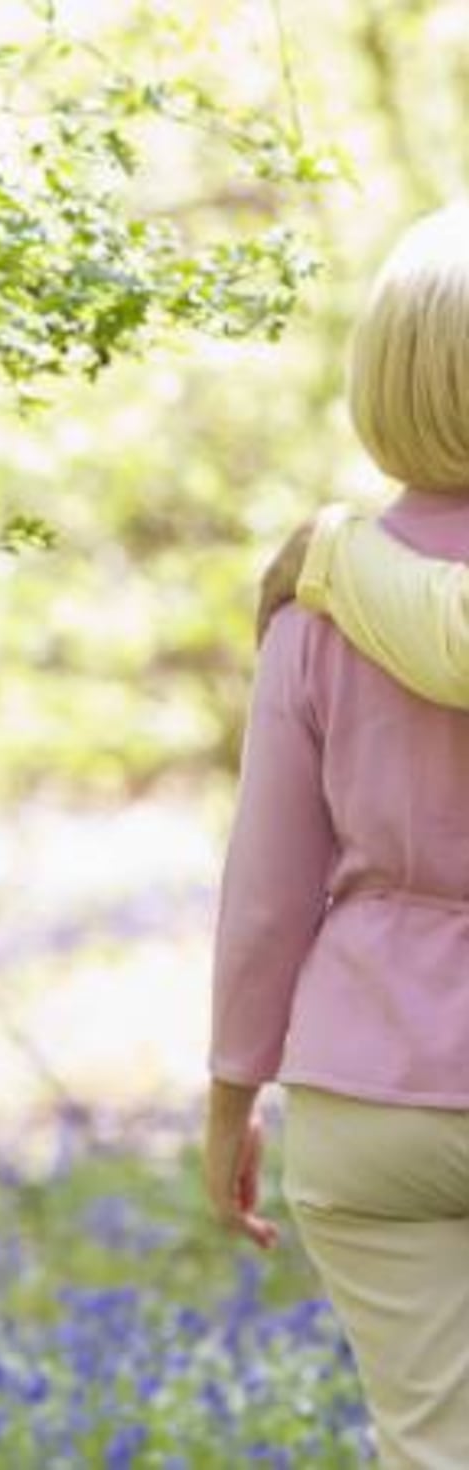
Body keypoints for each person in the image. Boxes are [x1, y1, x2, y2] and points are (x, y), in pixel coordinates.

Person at [209, 200, 469, 1470]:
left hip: (363, 1090)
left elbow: (267, 890)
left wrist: (227, 1099)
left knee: (430, 1448)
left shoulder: (313, 606)